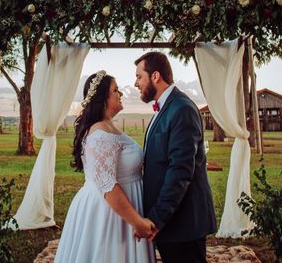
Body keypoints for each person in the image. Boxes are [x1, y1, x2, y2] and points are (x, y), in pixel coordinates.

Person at [54, 71, 156, 263]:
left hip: (122, 209)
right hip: (109, 213)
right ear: (103, 99)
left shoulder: (108, 127)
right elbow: (107, 185)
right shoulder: (100, 132)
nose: (121, 94)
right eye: (116, 90)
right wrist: (137, 222)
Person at [135, 51, 217, 263]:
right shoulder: (166, 107)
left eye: (139, 76)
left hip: (184, 223)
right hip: (173, 223)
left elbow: (180, 171)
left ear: (155, 76)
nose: (136, 83)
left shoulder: (182, 108)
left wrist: (156, 218)